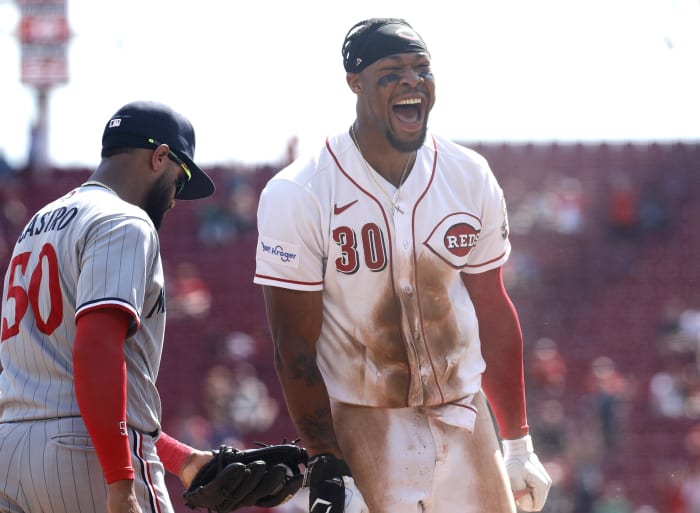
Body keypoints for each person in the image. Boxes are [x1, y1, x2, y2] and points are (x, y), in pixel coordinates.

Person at [254, 18, 552, 513]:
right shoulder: (300, 190)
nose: (413, 82)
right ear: (355, 82)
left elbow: (493, 308)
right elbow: (293, 345)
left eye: (422, 69)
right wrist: (326, 460)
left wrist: (519, 444)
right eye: (392, 72)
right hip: (363, 419)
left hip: (462, 416)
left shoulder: (468, 175)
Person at [2, 101, 226, 513]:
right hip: (89, 458)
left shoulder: (37, 224)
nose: (176, 199)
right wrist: (121, 481)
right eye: (179, 180)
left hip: (10, 452)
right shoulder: (124, 220)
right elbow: (95, 351)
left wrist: (182, 459)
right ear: (160, 157)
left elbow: (61, 382)